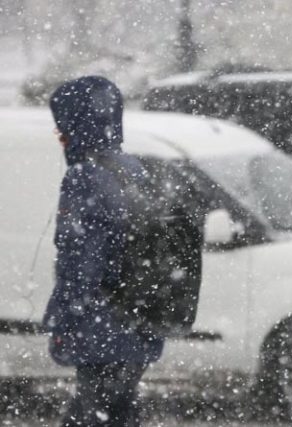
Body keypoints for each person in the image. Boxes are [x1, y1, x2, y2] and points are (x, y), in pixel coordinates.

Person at [43, 76, 163, 427]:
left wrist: (68, 312)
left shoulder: (84, 177)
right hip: (137, 317)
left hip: (102, 323)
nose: (60, 138)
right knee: (120, 409)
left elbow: (80, 257)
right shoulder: (133, 168)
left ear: (77, 126)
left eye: (62, 129)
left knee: (91, 414)